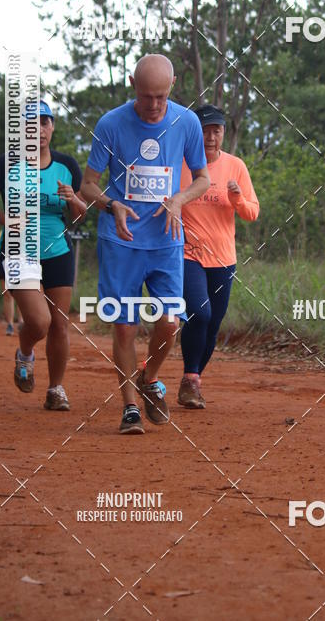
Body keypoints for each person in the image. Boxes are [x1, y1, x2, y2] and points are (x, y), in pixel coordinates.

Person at [80, 54, 210, 435]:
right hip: (121, 241)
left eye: (160, 96)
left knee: (170, 323)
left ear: (172, 87)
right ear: (133, 84)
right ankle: (130, 409)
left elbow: (202, 178)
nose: (153, 105)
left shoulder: (186, 122)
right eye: (146, 96)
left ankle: (148, 376)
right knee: (124, 327)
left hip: (166, 240)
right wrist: (110, 204)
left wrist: (179, 199)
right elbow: (87, 184)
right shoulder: (111, 124)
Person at [0, 100, 86, 410]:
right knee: (39, 322)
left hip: (58, 251)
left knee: (60, 325)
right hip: (19, 251)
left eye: (44, 122)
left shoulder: (67, 166)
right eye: (30, 123)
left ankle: (55, 389)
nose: (38, 129)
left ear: (52, 127)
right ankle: (25, 351)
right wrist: (7, 220)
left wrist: (73, 201)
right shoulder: (5, 165)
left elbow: (79, 217)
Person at [178, 105, 259, 409]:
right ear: (194, 132)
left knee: (212, 325)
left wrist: (236, 197)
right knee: (200, 313)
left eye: (216, 130)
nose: (210, 137)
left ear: (224, 133)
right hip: (188, 254)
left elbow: (252, 213)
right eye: (204, 130)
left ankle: (192, 381)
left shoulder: (235, 165)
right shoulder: (182, 164)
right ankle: (190, 379)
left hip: (224, 258)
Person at [0, 229, 22, 335]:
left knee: (23, 295)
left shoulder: (29, 230)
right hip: (6, 264)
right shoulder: (3, 231)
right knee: (7, 295)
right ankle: (10, 324)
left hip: (22, 264)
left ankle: (22, 322)